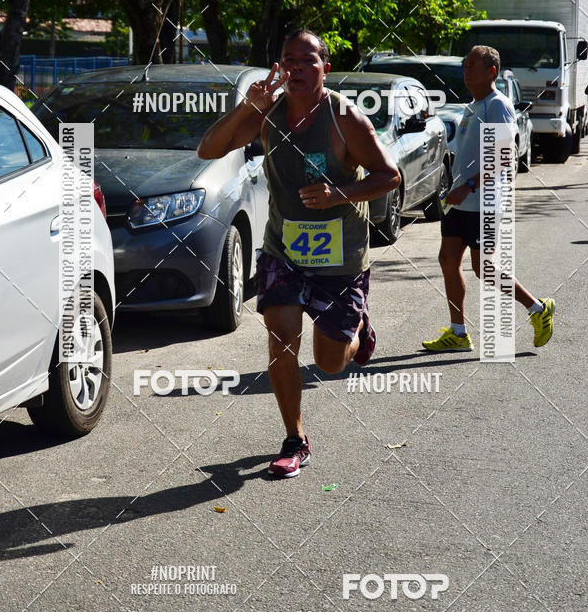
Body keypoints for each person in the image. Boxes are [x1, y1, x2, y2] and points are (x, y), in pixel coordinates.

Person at [198, 29, 400, 477]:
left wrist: (338, 195)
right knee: (280, 337)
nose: (297, 68)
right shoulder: (267, 116)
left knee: (329, 361)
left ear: (325, 68)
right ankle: (295, 437)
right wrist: (247, 106)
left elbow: (390, 176)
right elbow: (207, 148)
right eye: (289, 59)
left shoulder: (346, 118)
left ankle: (359, 327)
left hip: (341, 259)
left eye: (308, 60)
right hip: (283, 251)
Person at [422, 45, 554, 353]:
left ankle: (537, 308)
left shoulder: (497, 105)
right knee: (447, 260)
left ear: (491, 71)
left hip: (484, 203)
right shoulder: (472, 107)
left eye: (472, 66)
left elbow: (505, 154)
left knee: (485, 269)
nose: (466, 70)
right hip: (461, 203)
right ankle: (457, 332)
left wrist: (468, 184)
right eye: (465, 65)